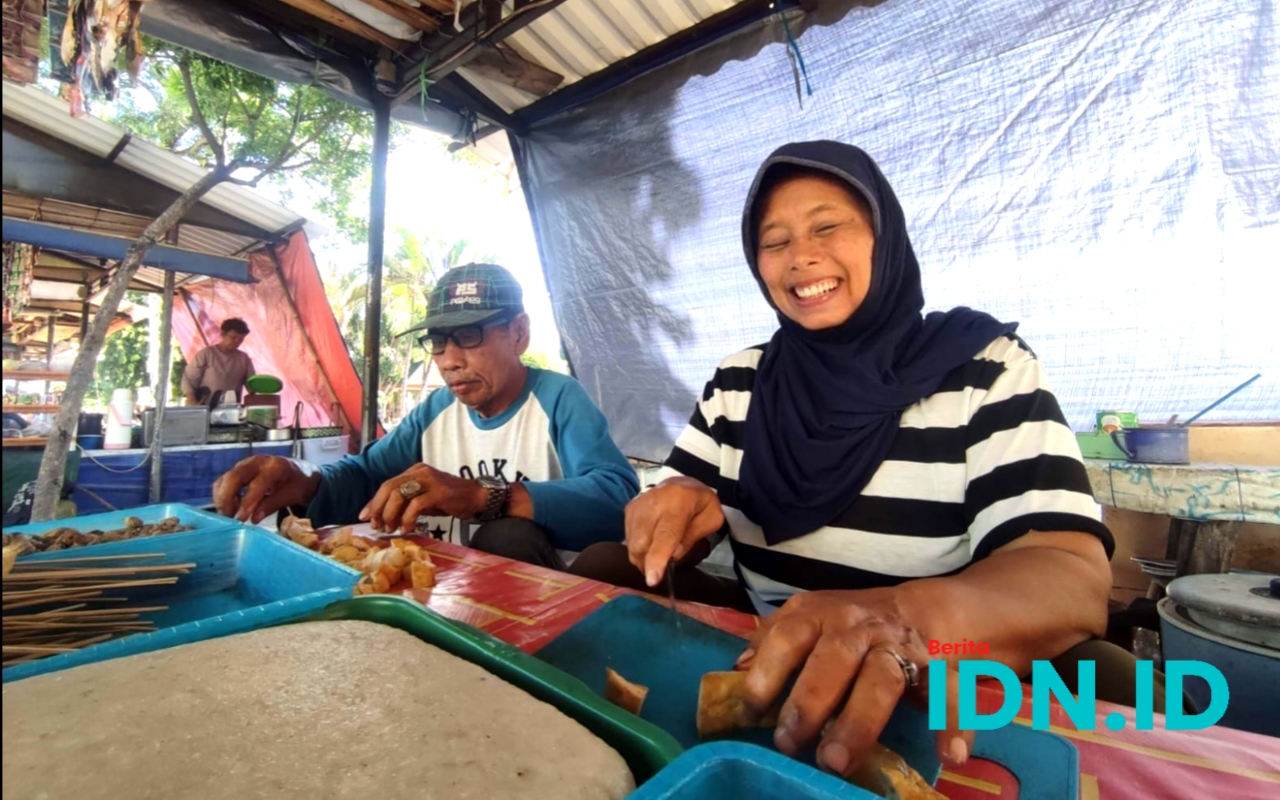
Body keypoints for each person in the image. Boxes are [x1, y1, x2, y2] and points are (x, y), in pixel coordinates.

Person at [569, 141, 1165, 780]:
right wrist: (674, 511)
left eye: (827, 227)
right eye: (774, 242)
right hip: (768, 664)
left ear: (885, 236)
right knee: (603, 567)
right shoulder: (740, 381)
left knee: (1120, 680)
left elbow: (1069, 577)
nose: (801, 256)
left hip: (934, 670)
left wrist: (901, 620)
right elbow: (684, 501)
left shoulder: (982, 371)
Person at [213, 263, 639, 569]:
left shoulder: (557, 398)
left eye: (469, 336)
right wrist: (305, 480)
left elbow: (616, 496)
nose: (449, 361)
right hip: (453, 594)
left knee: (508, 534)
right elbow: (366, 474)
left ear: (519, 333)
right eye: (437, 342)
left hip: (542, 601)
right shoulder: (437, 410)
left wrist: (483, 496)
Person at [182, 318, 256, 407]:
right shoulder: (207, 353)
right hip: (203, 407)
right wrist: (193, 403)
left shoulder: (244, 358)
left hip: (230, 410)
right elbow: (189, 380)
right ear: (223, 334)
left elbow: (251, 383)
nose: (237, 341)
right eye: (233, 337)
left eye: (241, 339)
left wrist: (255, 394)